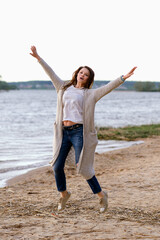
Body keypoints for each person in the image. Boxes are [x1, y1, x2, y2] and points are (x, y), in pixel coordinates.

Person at [30, 46, 137, 213]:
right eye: (81, 72)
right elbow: (50, 73)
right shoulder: (63, 87)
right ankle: (64, 194)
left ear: (88, 79)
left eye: (86, 74)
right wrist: (38, 58)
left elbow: (108, 87)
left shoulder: (90, 94)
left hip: (80, 132)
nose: (83, 75)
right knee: (57, 166)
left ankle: (102, 195)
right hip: (63, 132)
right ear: (77, 73)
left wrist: (123, 77)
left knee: (83, 168)